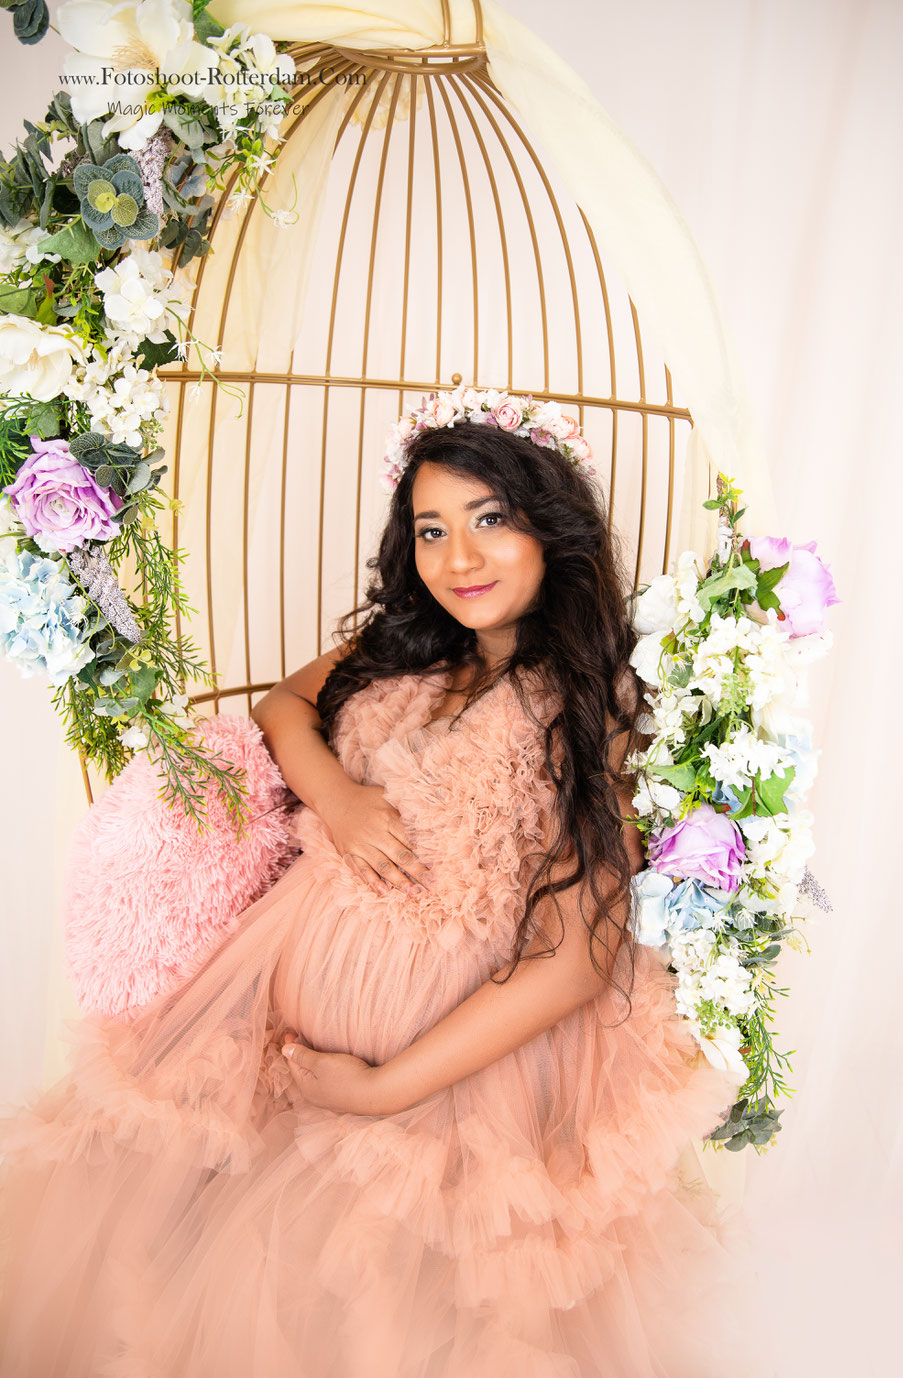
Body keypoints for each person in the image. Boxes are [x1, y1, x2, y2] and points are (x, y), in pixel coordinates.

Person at [0, 391, 755, 1378]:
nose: (458, 558)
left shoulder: (593, 703)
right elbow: (282, 707)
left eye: (491, 519)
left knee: (358, 1297)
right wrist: (338, 802)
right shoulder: (402, 648)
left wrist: (382, 1088)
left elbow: (578, 960)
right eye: (431, 529)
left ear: (551, 526)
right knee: (153, 1222)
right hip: (271, 1001)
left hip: (438, 1069)